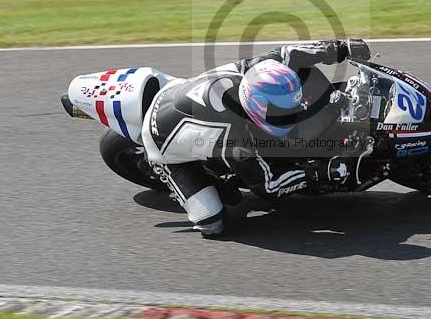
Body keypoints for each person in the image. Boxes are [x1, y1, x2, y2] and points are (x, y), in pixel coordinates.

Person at [140, 39, 371, 238]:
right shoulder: (233, 138)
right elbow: (268, 186)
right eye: (281, 112)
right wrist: (319, 173)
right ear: (257, 106)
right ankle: (195, 175)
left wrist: (339, 48)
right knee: (212, 223)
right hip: (159, 139)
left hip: (179, 91)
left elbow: (290, 53)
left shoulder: (258, 71)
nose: (292, 116)